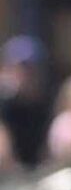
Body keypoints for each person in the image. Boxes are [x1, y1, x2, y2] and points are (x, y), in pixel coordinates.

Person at [0, 37, 48, 173]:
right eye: (20, 68)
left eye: (30, 69)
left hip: (32, 177)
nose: (25, 74)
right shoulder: (4, 102)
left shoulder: (41, 106)